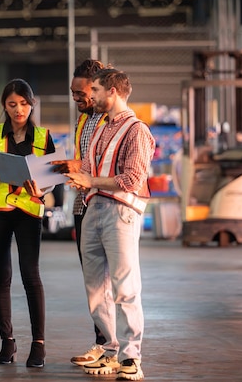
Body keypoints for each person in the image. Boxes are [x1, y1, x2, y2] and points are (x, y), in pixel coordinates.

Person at [60, 68, 155, 380]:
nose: (92, 96)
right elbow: (88, 166)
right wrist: (75, 176)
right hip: (93, 208)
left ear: (112, 92)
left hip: (120, 212)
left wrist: (91, 180)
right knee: (97, 288)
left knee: (125, 286)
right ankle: (110, 351)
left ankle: (132, 357)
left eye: (97, 90)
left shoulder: (136, 130)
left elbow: (132, 179)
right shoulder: (100, 127)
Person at [0, 78, 56, 368]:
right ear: (4, 106)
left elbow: (52, 181)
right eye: (12, 104)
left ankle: (39, 344)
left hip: (28, 211)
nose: (18, 109)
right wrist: (4, 171)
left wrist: (43, 188)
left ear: (31, 104)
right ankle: (7, 342)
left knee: (30, 274)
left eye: (23, 104)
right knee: (1, 277)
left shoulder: (43, 137)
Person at [66, 59, 108, 367]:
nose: (77, 100)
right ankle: (103, 342)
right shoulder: (84, 120)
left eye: (82, 94)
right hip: (83, 205)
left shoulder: (114, 120)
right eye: (74, 94)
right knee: (93, 280)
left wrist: (78, 167)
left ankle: (115, 347)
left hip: (107, 205)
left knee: (113, 279)